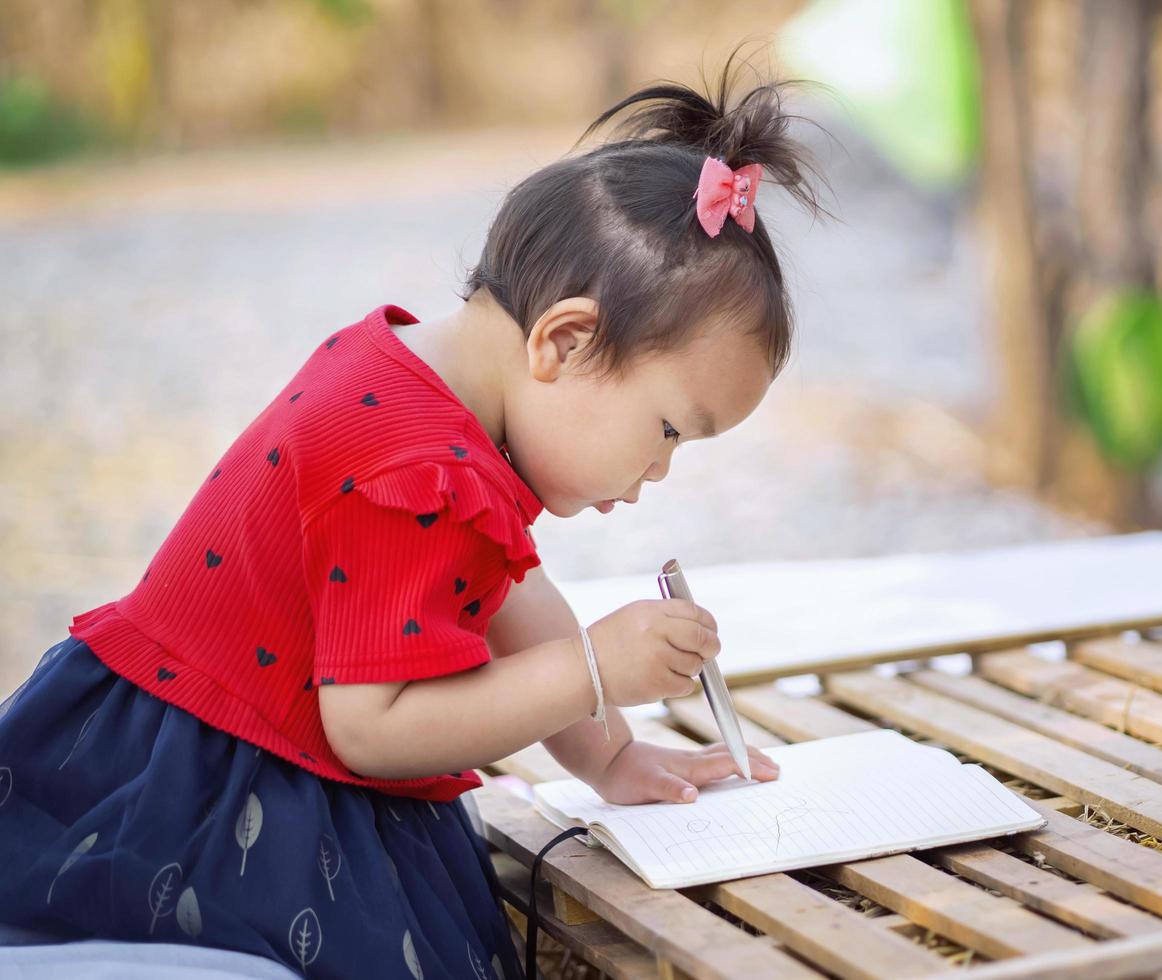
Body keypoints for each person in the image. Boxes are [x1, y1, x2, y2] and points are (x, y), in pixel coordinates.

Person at [0, 52, 826, 979]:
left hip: (232, 743)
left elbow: (509, 585)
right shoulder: (411, 462)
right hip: (220, 798)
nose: (661, 469)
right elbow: (376, 727)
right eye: (669, 429)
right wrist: (594, 669)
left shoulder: (417, 381)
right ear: (564, 339)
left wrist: (612, 758)